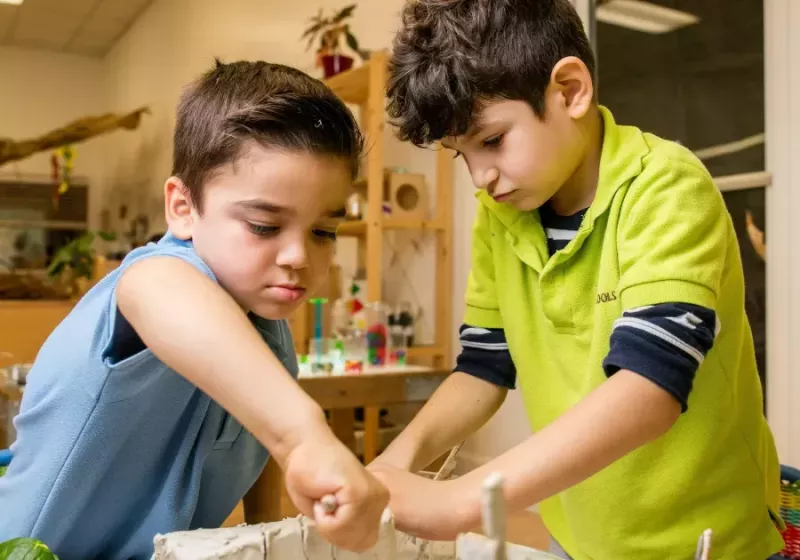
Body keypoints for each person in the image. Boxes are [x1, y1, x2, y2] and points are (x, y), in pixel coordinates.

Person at [367, 1, 784, 558]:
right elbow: (484, 368)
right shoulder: (500, 217)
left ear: (569, 90)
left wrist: (465, 500)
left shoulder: (666, 188)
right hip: (580, 536)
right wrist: (396, 460)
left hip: (707, 542)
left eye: (491, 140)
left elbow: (648, 391)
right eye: (460, 154)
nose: (481, 175)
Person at [0, 60, 388, 559]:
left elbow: (267, 452)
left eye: (323, 233)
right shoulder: (158, 278)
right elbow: (162, 289)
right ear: (182, 207)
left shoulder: (267, 328)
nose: (298, 258)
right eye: (264, 227)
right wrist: (304, 436)